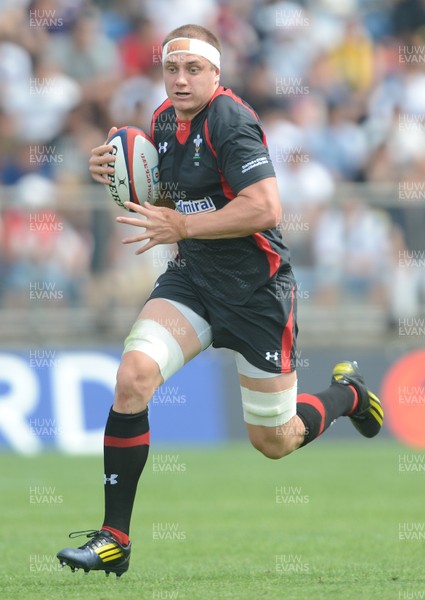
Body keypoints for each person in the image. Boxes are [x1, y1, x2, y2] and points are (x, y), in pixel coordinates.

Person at [56, 23, 384, 578]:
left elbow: (265, 208)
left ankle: (347, 395)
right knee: (134, 376)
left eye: (193, 70)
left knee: (273, 441)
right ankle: (115, 538)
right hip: (196, 281)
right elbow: (172, 196)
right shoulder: (162, 120)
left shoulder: (230, 121)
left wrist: (182, 223)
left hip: (257, 293)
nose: (180, 80)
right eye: (171, 68)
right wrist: (118, 178)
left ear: (216, 73)